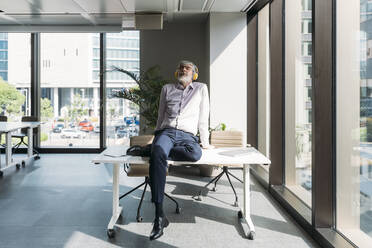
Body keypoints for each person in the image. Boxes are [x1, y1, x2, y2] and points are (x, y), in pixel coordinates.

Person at [149, 60, 214, 240]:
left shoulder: (201, 88)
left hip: (188, 135)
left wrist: (205, 141)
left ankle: (155, 151)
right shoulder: (167, 89)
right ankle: (159, 216)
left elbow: (203, 117)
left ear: (194, 73)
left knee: (194, 154)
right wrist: (157, 137)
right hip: (167, 132)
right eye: (181, 67)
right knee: (160, 150)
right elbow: (161, 115)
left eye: (188, 67)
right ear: (177, 72)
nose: (183, 69)